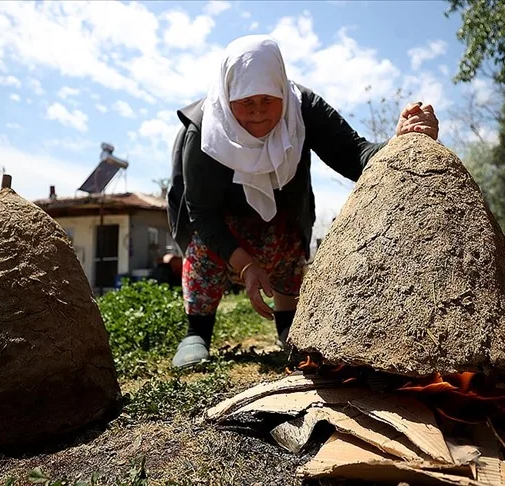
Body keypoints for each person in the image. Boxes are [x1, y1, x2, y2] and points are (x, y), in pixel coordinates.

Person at [167, 35, 439, 368]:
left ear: (282, 89)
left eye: (268, 99)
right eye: (244, 101)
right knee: (205, 250)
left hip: (281, 220)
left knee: (286, 246)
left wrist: (401, 140)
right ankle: (197, 332)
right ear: (226, 96)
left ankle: (289, 327)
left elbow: (356, 156)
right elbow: (203, 216)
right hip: (219, 226)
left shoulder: (303, 109)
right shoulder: (204, 132)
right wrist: (247, 265)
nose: (257, 112)